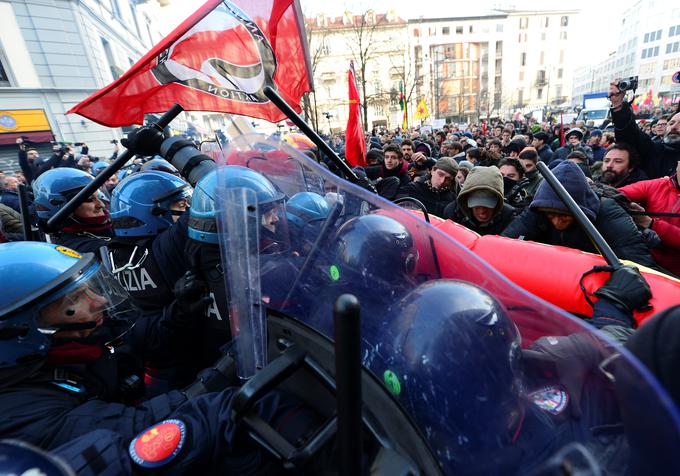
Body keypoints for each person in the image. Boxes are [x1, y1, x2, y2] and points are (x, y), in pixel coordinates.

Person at [0, 242, 325, 473]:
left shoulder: (64, 352)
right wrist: (229, 386)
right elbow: (144, 429)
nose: (98, 300)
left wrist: (181, 313)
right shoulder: (27, 414)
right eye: (74, 302)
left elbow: (139, 341)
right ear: (24, 331)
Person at [502, 161, 659, 269]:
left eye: (564, 215)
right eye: (550, 214)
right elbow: (505, 244)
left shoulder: (609, 215)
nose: (557, 222)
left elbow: (641, 267)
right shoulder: (539, 208)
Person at [618, 162, 680, 276]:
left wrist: (651, 224)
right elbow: (619, 194)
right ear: (678, 164)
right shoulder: (657, 185)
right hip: (647, 264)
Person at [32, 168, 113, 254]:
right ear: (60, 207)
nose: (101, 205)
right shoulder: (76, 247)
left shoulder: (100, 226)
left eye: (99, 196)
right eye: (89, 199)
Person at [609, 80, 680, 178]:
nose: (673, 127)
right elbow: (630, 135)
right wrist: (618, 104)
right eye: (671, 123)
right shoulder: (655, 150)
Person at [446, 165, 516, 235]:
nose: (482, 212)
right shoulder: (452, 212)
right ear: (466, 200)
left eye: (488, 207)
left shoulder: (509, 218)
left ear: (498, 202)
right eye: (477, 207)